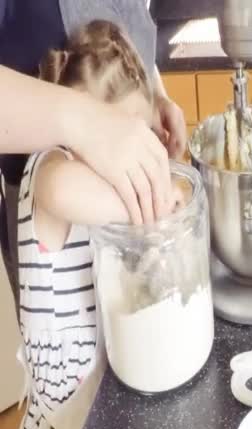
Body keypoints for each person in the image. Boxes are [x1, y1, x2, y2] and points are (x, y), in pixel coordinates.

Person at [11, 19, 187, 429]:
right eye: (116, 154)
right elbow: (64, 189)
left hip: (95, 402)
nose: (123, 173)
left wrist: (159, 161)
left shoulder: (95, 191)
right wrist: (160, 197)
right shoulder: (49, 169)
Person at [0, 0, 187, 302]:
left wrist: (154, 97)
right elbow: (58, 188)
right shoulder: (55, 179)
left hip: (118, 203)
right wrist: (82, 121)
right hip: (56, 229)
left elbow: (125, 35)